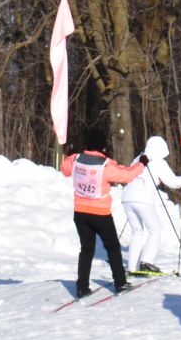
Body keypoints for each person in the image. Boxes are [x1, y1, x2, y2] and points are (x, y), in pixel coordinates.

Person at [59, 128, 144, 298]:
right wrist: (142, 163)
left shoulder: (76, 160)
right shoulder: (106, 165)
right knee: (112, 247)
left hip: (80, 212)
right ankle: (120, 283)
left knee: (86, 249)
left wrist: (70, 153)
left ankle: (82, 287)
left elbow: (64, 169)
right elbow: (126, 176)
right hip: (100, 213)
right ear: (102, 146)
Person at [119, 135, 181, 275]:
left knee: (137, 232)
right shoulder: (159, 162)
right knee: (154, 230)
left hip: (127, 199)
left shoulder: (138, 159)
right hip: (143, 200)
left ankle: (132, 267)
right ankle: (146, 262)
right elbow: (173, 182)